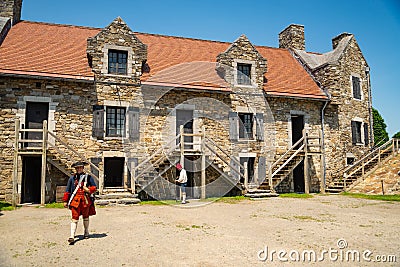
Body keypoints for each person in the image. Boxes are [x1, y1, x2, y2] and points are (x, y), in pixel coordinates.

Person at [63, 161, 97, 245]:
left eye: (80, 167)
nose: (79, 169)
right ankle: (72, 236)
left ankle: (86, 232)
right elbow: (68, 190)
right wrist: (65, 201)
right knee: (74, 218)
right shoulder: (72, 178)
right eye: (77, 168)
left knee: (86, 217)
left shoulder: (88, 177)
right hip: (75, 201)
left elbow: (94, 187)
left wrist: (88, 190)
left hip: (85, 201)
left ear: (83, 168)